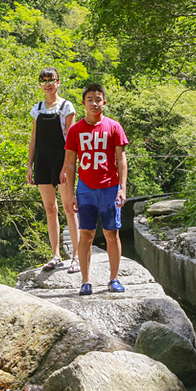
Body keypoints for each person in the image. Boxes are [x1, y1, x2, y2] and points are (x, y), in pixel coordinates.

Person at [62, 83, 129, 296]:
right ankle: (85, 281)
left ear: (104, 102)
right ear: (83, 103)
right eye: (90, 99)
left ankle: (114, 278)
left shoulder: (114, 127)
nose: (94, 103)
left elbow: (121, 159)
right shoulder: (75, 130)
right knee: (86, 234)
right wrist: (71, 193)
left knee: (112, 233)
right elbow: (70, 163)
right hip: (86, 189)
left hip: (109, 187)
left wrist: (122, 188)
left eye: (98, 99)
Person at [26, 67, 81, 273]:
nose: (47, 83)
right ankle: (56, 255)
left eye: (51, 79)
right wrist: (29, 166)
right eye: (43, 80)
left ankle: (76, 256)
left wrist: (67, 167)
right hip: (42, 161)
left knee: (69, 208)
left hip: (62, 160)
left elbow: (71, 139)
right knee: (50, 209)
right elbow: (33, 139)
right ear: (40, 83)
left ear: (58, 82)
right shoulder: (37, 109)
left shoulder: (67, 107)